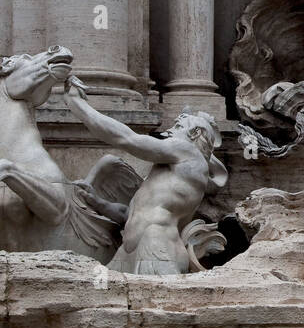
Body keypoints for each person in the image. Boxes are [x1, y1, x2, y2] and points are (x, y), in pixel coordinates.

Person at [63, 77, 227, 275]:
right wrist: (97, 202)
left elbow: (127, 139)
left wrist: (78, 105)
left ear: (194, 133)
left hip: (156, 244)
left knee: (157, 305)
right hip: (128, 250)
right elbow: (129, 215)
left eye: (178, 126)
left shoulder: (188, 152)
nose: (171, 129)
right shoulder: (167, 171)